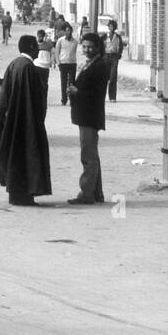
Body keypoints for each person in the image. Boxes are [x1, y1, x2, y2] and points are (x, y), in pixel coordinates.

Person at [0, 36, 51, 207]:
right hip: (26, 122)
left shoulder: (14, 64)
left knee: (15, 157)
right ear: (32, 47)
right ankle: (23, 195)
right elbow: (34, 99)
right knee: (27, 156)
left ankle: (16, 194)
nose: (38, 50)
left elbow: (3, 98)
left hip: (13, 120)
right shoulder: (28, 68)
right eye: (36, 47)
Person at [67, 34, 108, 205]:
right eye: (84, 46)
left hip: (90, 115)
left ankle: (86, 194)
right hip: (85, 114)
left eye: (90, 46)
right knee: (92, 155)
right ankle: (96, 193)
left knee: (88, 156)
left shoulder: (100, 65)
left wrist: (77, 92)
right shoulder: (90, 64)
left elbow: (96, 93)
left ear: (98, 47)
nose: (87, 50)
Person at [55, 23, 78, 106]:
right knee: (63, 82)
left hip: (72, 64)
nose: (69, 32)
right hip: (63, 63)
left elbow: (74, 52)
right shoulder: (60, 40)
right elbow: (57, 52)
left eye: (70, 31)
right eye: (67, 31)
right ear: (65, 32)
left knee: (72, 83)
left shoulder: (75, 41)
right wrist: (58, 63)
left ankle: (72, 100)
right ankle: (64, 99)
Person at [104, 19, 124, 102]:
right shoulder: (105, 36)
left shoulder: (118, 37)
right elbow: (101, 45)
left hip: (114, 57)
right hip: (106, 57)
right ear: (108, 27)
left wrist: (118, 55)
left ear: (114, 28)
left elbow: (121, 46)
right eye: (110, 26)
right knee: (105, 77)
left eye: (112, 26)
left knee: (113, 77)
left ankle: (112, 97)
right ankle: (102, 96)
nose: (111, 28)